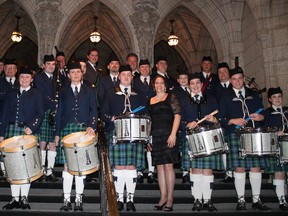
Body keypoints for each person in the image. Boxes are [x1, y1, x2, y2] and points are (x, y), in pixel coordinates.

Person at [219, 66, 270, 211]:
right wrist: (233, 120)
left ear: (243, 78)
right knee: (239, 168)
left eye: (240, 78)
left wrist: (261, 117)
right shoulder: (225, 96)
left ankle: (256, 199)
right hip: (235, 134)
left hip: (253, 134)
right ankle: (240, 200)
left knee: (256, 167)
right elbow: (221, 118)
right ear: (230, 80)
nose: (237, 81)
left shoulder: (253, 94)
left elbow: (263, 113)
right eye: (234, 79)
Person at [54, 61, 98, 211]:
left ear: (82, 73)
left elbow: (94, 110)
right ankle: (66, 199)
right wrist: (57, 134)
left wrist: (92, 125)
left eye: (78, 72)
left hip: (83, 130)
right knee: (67, 166)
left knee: (80, 166)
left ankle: (79, 199)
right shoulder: (64, 91)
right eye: (72, 72)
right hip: (67, 130)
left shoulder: (90, 91)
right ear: (68, 75)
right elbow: (59, 113)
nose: (75, 75)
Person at [0, 66, 44, 210]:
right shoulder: (11, 94)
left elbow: (40, 114)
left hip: (27, 132)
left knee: (25, 166)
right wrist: (1, 134)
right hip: (11, 131)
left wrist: (32, 126)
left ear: (31, 80)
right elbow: (4, 114)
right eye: (22, 77)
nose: (24, 79)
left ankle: (24, 198)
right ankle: (14, 198)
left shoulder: (37, 94)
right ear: (19, 79)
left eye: (27, 77)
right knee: (12, 166)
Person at [101, 65, 144, 212]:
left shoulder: (138, 94)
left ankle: (130, 199)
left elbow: (145, 113)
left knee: (131, 166)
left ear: (132, 77)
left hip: (134, 134)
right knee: (119, 166)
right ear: (119, 76)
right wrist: (111, 118)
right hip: (116, 132)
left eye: (129, 75)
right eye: (123, 75)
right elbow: (103, 113)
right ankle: (119, 198)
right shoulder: (111, 93)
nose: (126, 77)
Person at [182, 73, 222, 211]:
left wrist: (214, 119)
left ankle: (208, 200)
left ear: (201, 84)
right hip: (192, 138)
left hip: (208, 138)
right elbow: (178, 120)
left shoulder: (210, 99)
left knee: (208, 170)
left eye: (197, 83)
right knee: (196, 170)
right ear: (189, 86)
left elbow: (219, 116)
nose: (195, 86)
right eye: (192, 84)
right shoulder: (184, 100)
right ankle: (197, 199)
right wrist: (187, 124)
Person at [148, 75, 181, 212]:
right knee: (159, 168)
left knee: (168, 166)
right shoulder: (150, 100)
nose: (159, 85)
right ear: (154, 85)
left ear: (165, 85)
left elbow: (177, 115)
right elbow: (149, 121)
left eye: (162, 83)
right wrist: (148, 139)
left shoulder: (171, 97)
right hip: (156, 136)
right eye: (157, 83)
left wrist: (173, 134)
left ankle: (170, 198)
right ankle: (162, 197)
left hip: (169, 135)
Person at [33, 54, 58, 182]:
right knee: (43, 142)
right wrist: (55, 103)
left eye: (53, 64)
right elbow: (42, 95)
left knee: (53, 142)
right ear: (43, 66)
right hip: (43, 111)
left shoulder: (56, 79)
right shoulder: (39, 77)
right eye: (48, 64)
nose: (51, 66)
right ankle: (41, 171)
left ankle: (50, 171)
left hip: (54, 112)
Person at [264, 87, 288, 210]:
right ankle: (281, 200)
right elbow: (265, 130)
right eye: (274, 97)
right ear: (269, 99)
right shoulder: (266, 113)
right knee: (279, 173)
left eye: (279, 96)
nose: (277, 99)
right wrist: (275, 132)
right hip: (276, 145)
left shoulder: (287, 111)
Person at [132, 59, 156, 184]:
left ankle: (151, 172)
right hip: (139, 116)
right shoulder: (133, 82)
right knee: (139, 144)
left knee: (151, 144)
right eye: (142, 67)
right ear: (139, 69)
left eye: (147, 67)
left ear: (150, 69)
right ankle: (139, 171)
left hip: (153, 116)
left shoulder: (155, 81)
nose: (145, 69)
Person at [0, 59, 20, 181]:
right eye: (7, 68)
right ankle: (3, 171)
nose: (10, 70)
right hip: (1, 118)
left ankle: (14, 170)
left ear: (16, 70)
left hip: (15, 121)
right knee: (2, 147)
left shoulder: (22, 82)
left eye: (13, 68)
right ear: (4, 69)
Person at [215, 62, 233, 183]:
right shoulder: (215, 89)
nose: (222, 74)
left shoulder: (236, 87)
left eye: (225, 71)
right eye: (220, 72)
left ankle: (235, 170)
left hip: (235, 124)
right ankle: (228, 172)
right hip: (221, 122)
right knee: (224, 148)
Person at [172, 71, 191, 183]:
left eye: (185, 78)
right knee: (184, 149)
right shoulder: (175, 91)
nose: (183, 80)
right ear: (178, 80)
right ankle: (185, 172)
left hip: (192, 121)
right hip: (180, 120)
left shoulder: (193, 89)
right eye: (181, 78)